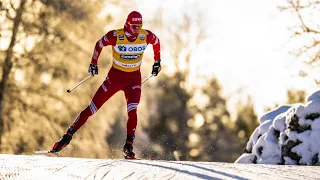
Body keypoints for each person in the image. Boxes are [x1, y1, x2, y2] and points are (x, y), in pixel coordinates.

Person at [50, 11, 161, 159]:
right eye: (134, 27)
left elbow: (156, 41)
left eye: (140, 27)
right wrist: (93, 64)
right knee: (92, 108)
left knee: (132, 111)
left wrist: (157, 62)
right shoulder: (116, 36)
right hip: (115, 78)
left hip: (133, 79)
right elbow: (99, 44)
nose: (137, 30)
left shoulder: (144, 36)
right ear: (128, 25)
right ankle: (66, 138)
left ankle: (128, 147)